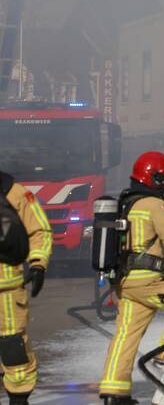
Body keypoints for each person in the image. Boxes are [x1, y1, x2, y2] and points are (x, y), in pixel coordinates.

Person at [99, 152, 164, 405]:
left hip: (126, 281)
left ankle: (114, 392)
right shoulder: (154, 205)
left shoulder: (127, 203)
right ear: (153, 178)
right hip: (149, 279)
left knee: (126, 334)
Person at [0, 171, 51, 404]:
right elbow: (40, 229)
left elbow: (39, 230)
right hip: (8, 288)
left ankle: (18, 399)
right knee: (12, 345)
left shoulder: (14, 192)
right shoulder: (14, 190)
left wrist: (38, 263)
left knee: (12, 346)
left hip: (8, 291)